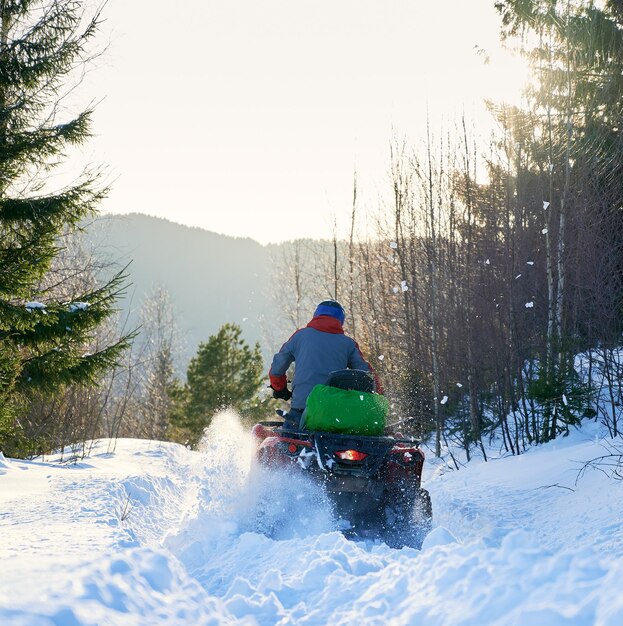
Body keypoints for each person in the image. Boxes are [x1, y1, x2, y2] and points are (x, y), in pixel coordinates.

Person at [269, 300, 382, 428]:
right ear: (341, 320)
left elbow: (277, 369)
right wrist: (379, 397)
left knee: (286, 442)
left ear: (316, 315)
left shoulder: (300, 336)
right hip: (334, 414)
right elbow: (369, 376)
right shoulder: (348, 344)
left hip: (301, 410)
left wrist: (280, 389)